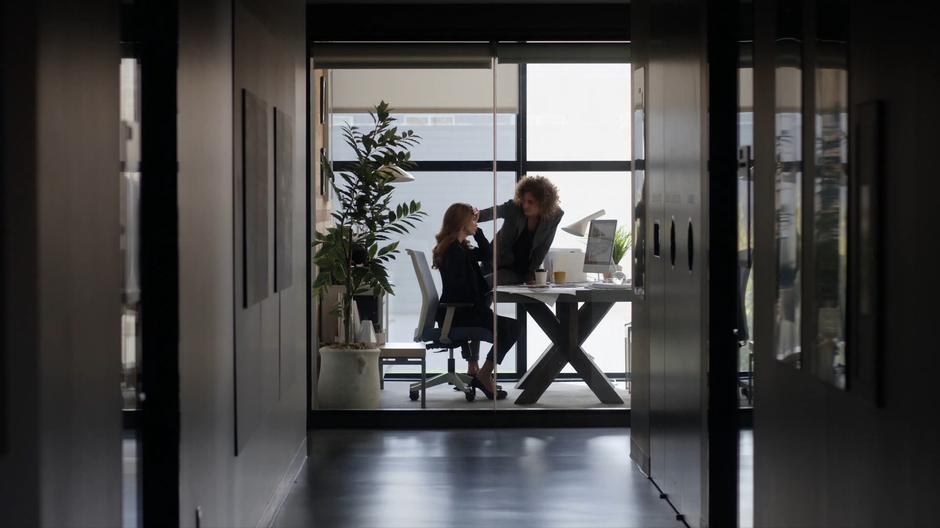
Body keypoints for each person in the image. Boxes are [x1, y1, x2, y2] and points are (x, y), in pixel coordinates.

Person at [432, 203, 519, 400]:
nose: (476, 223)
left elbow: (489, 255)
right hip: (462, 314)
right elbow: (462, 290)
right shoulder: (455, 252)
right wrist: (484, 297)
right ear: (462, 222)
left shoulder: (459, 248)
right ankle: (484, 376)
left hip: (462, 312)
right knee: (514, 328)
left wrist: (478, 234)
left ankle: (483, 375)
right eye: (473, 220)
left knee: (510, 327)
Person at [477, 175, 564, 285]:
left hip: (517, 271)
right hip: (492, 260)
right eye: (523, 201)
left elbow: (543, 248)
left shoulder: (553, 217)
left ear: (543, 203)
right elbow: (493, 212)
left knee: (483, 284)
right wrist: (471, 216)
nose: (525, 205)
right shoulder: (514, 207)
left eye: (530, 202)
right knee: (476, 289)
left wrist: (532, 274)